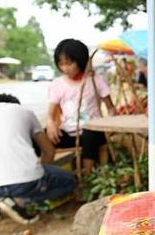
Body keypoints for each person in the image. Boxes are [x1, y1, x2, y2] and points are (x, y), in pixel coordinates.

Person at [0, 94, 76, 225]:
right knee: (70, 181)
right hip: (26, 184)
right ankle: (27, 201)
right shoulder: (25, 113)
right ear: (16, 106)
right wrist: (39, 173)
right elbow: (49, 151)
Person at [47, 39, 115, 175]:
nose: (65, 68)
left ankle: (87, 176)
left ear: (81, 60)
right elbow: (50, 114)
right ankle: (46, 175)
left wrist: (110, 128)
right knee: (41, 137)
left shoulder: (96, 80)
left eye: (69, 63)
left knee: (89, 133)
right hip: (69, 132)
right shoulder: (58, 84)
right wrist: (50, 124)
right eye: (61, 64)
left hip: (94, 132)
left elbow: (111, 108)